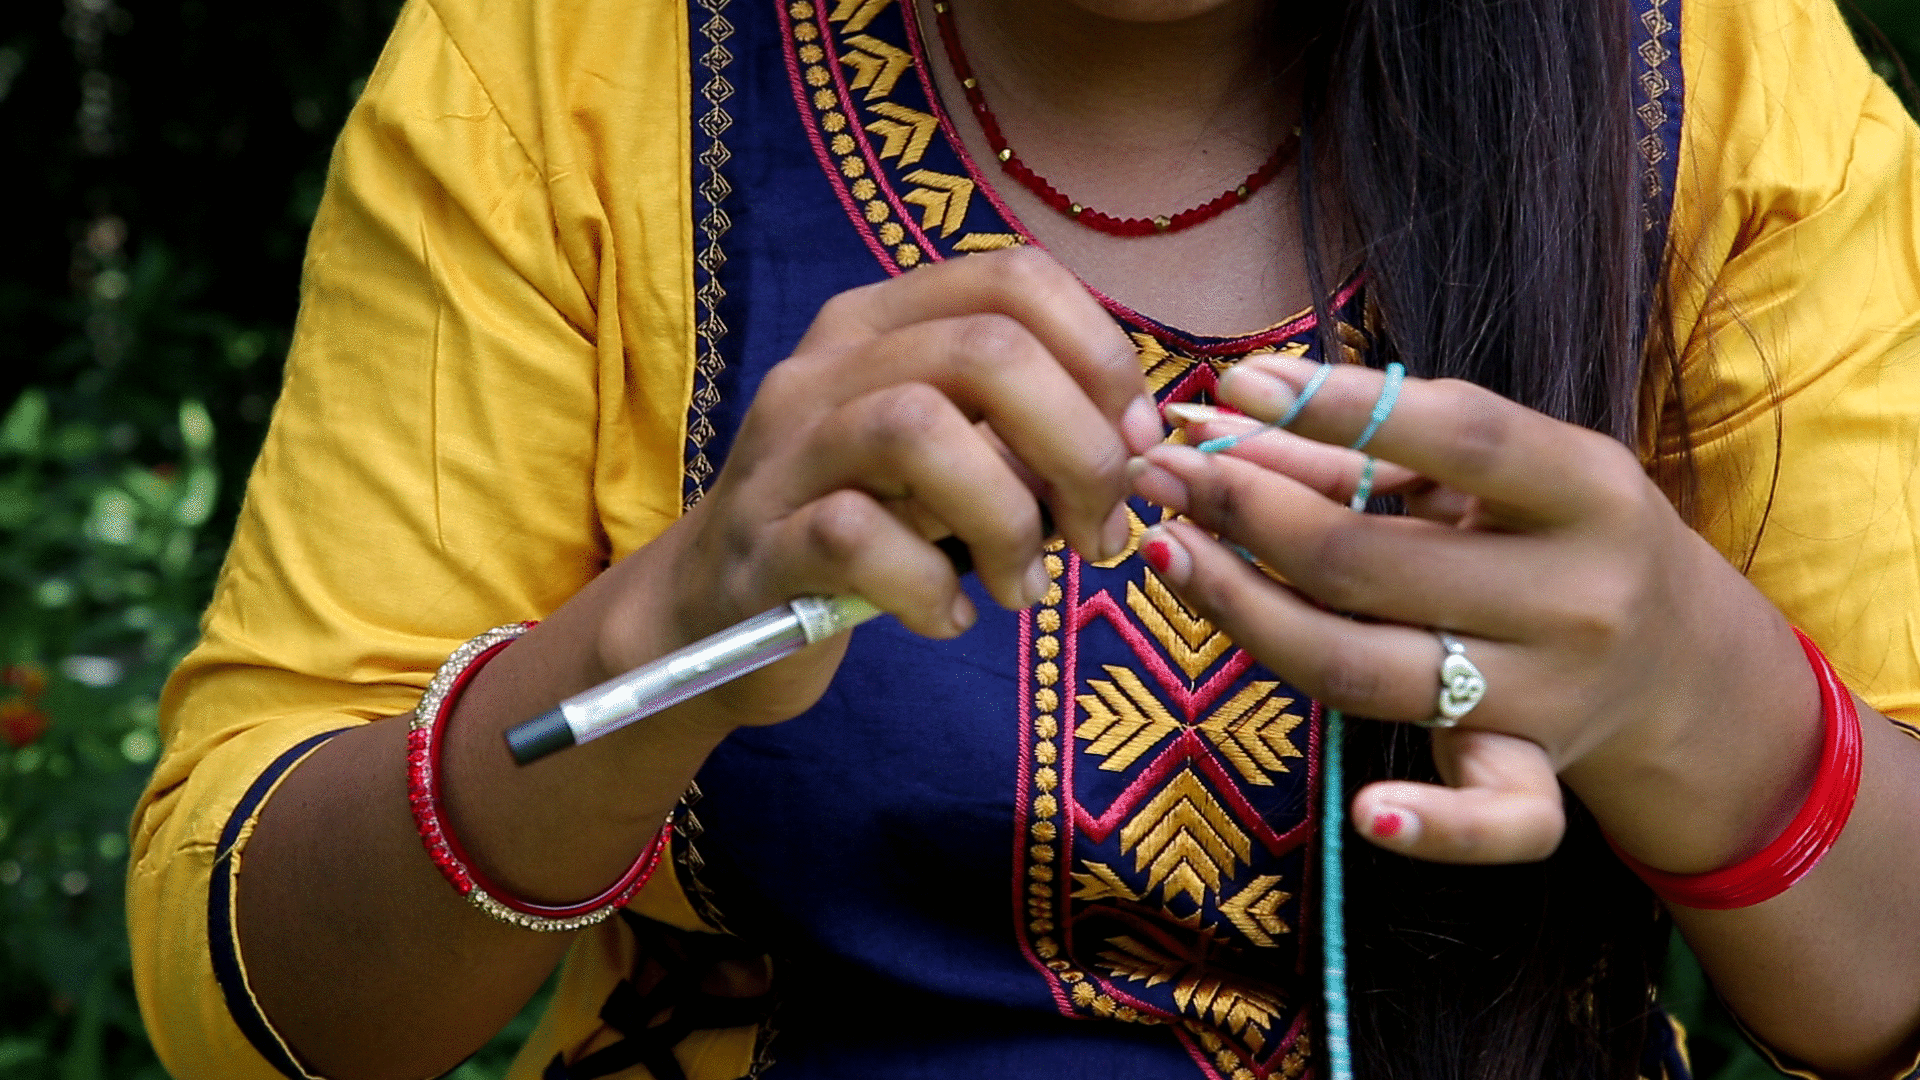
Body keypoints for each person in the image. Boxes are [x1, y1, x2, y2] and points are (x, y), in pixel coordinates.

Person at [127, 0, 1920, 1075]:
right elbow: (256, 993)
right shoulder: (569, 65)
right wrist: (670, 631)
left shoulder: (1724, 81)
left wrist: (1703, 693)